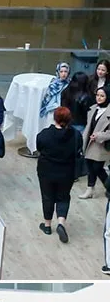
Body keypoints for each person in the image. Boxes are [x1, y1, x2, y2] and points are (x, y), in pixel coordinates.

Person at [35, 106, 81, 244]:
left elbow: (39, 147)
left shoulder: (44, 134)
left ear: (54, 118)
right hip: (67, 172)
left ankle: (47, 225)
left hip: (46, 170)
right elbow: (78, 149)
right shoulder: (76, 135)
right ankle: (61, 223)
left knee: (47, 196)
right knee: (63, 197)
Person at [80, 86, 110, 200]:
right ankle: (91, 189)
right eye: (97, 95)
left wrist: (99, 135)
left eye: (102, 96)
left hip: (101, 144)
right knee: (91, 167)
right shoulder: (93, 109)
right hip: (89, 142)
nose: (99, 98)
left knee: (97, 168)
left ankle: (99, 188)